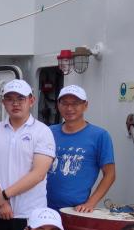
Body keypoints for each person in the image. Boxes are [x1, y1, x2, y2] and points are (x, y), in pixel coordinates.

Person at [0, 79, 56, 230]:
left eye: (20, 98)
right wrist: (0, 203)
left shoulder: (42, 132)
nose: (15, 103)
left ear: (31, 100)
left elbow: (38, 174)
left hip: (29, 214)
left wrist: (3, 196)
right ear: (3, 102)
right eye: (10, 98)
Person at [46, 85, 116, 213]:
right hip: (43, 206)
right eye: (65, 103)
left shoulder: (100, 136)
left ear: (85, 105)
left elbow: (110, 174)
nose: (69, 108)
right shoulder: (48, 132)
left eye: (75, 103)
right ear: (58, 105)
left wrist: (91, 203)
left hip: (75, 210)